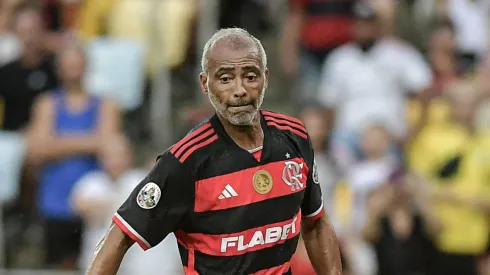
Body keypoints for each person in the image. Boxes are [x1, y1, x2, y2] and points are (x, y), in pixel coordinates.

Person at [86, 28, 341, 275]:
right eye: (225, 78)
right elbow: (118, 236)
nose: (239, 90)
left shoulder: (294, 136)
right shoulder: (185, 162)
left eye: (250, 76)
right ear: (205, 84)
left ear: (266, 78)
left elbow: (316, 222)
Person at [27, 44, 120, 269]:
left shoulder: (106, 104)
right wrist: (91, 141)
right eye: (68, 65)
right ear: (59, 69)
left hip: (95, 203)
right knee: (61, 266)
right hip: (55, 202)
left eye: (77, 64)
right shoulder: (46, 103)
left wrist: (57, 142)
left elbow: (111, 147)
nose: (73, 70)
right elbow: (38, 150)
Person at [71, 135, 182, 274]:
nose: (114, 161)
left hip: (134, 266)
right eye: (109, 156)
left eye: (119, 155)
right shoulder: (91, 182)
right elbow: (78, 206)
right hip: (95, 262)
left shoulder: (139, 180)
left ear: (129, 156)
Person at [362, 172, 441, 275]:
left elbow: (437, 230)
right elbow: (367, 236)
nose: (399, 192)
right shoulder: (382, 220)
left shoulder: (419, 218)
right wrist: (380, 202)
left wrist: (419, 198)